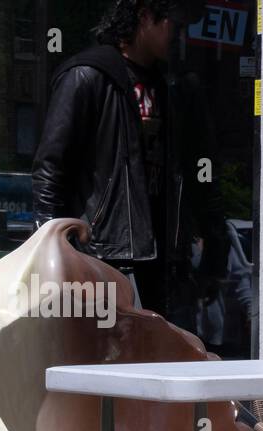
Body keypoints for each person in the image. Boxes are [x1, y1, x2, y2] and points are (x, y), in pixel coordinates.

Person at [31, 0, 228, 321]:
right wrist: (52, 250)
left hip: (165, 261)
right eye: (174, 24)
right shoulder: (88, 76)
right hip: (102, 255)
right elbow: (51, 169)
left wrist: (215, 250)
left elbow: (201, 173)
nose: (181, 36)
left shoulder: (177, 87)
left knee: (164, 359)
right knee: (103, 360)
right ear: (145, 17)